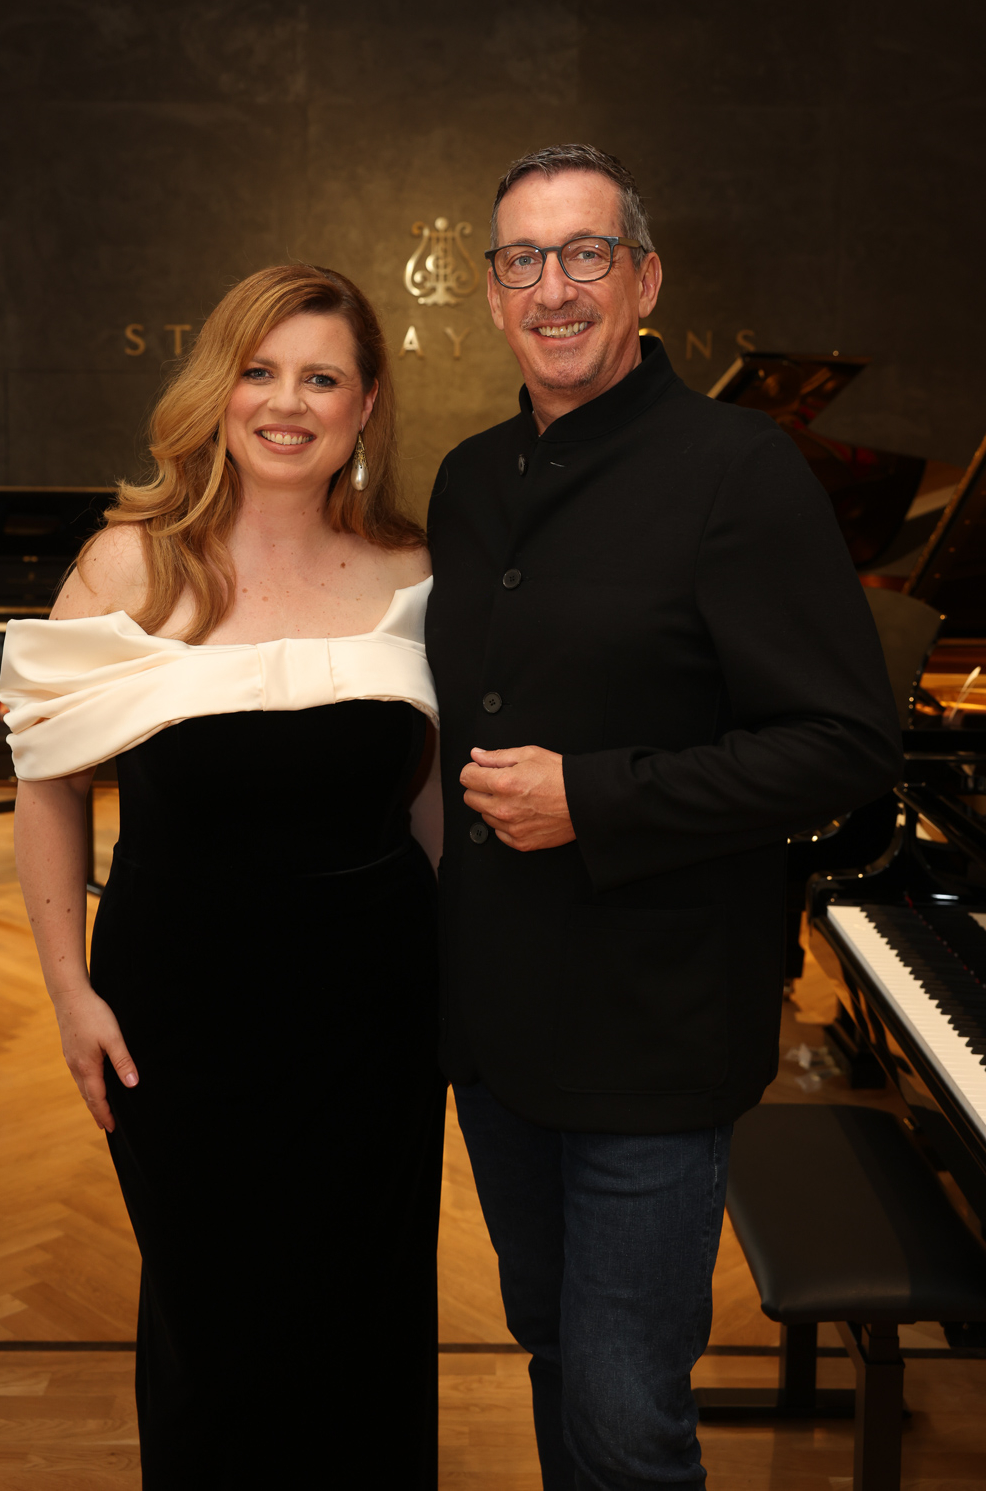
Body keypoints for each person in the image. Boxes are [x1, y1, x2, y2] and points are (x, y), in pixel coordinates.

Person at [424, 144, 904, 1490]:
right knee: (552, 1348)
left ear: (644, 279)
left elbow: (846, 746)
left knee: (630, 1417)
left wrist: (595, 796)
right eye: (524, 260)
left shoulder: (740, 468)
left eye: (587, 254)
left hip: (655, 1028)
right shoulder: (466, 479)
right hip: (497, 1027)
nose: (555, 287)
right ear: (492, 293)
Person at [1, 265, 445, 1489]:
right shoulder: (128, 566)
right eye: (260, 371)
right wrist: (69, 992)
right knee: (217, 1326)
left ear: (365, 404)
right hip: (181, 1016)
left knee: (368, 1316)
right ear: (220, 386)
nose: (286, 403)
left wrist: (467, 969)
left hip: (378, 1016)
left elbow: (425, 795)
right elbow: (48, 785)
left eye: (321, 378)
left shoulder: (414, 569)